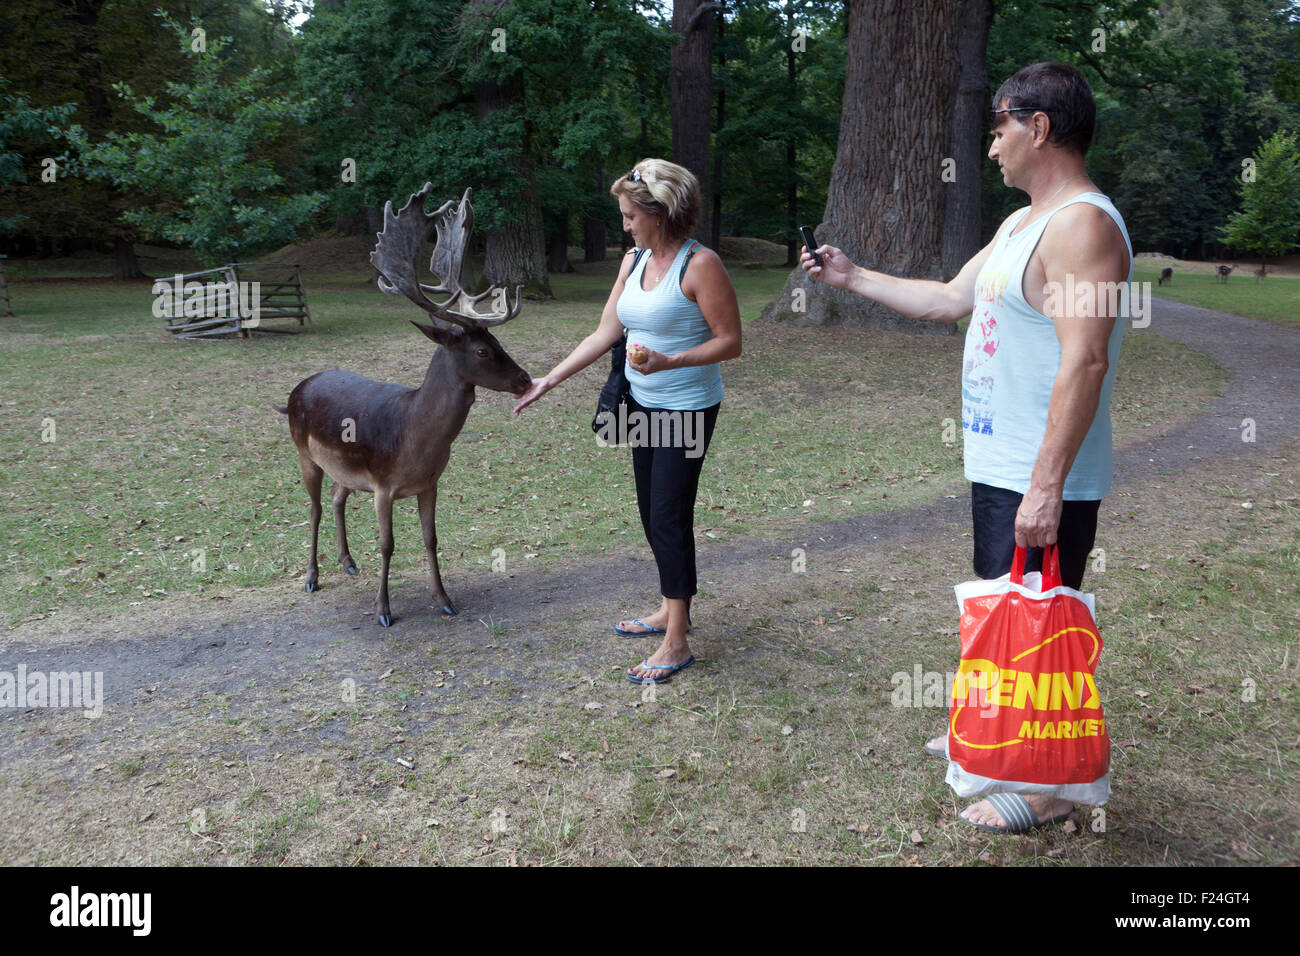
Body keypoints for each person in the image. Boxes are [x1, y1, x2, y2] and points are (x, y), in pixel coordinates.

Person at [801, 62, 1131, 832]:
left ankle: (1044, 790)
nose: (991, 147)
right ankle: (997, 738)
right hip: (1001, 463)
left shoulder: (1084, 224)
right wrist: (853, 278)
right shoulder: (1021, 223)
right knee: (1003, 608)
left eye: (999, 128)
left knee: (1039, 617)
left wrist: (1046, 486)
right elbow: (950, 299)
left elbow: (1086, 359)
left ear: (1038, 127)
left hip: (1041, 472)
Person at [514, 158, 742, 684]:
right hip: (641, 404)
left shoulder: (700, 264)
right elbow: (604, 333)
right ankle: (670, 606)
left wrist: (668, 361)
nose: (625, 224)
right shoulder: (635, 260)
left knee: (668, 513)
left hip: (687, 408)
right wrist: (549, 380)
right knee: (649, 510)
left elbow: (730, 342)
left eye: (630, 215)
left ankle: (677, 641)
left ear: (660, 213)